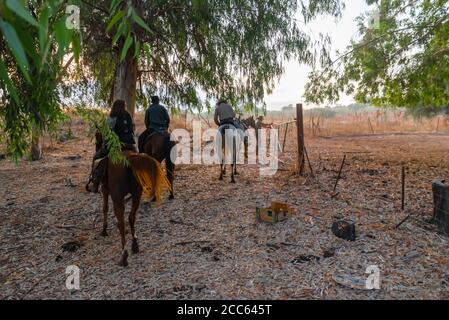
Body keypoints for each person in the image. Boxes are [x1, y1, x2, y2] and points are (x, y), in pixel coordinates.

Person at [86, 99, 136, 193]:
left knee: (96, 157)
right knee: (138, 156)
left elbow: (107, 132)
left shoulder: (112, 116)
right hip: (129, 145)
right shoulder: (128, 116)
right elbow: (132, 129)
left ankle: (95, 182)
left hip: (116, 145)